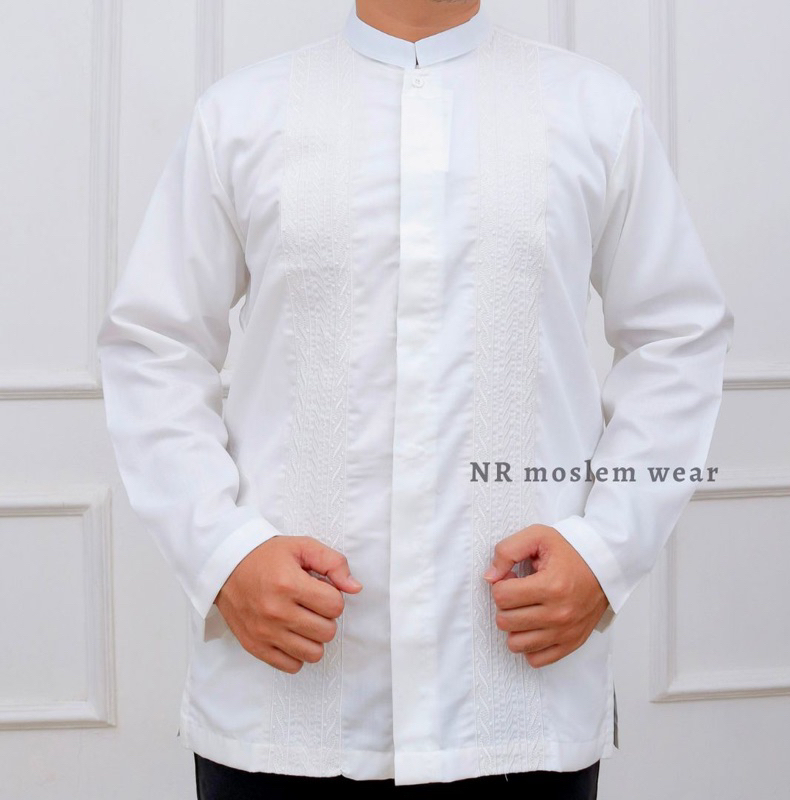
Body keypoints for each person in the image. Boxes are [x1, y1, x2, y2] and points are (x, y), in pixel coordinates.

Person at [95, 0, 734, 798]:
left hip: (519, 702)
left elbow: (679, 337)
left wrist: (607, 554)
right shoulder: (242, 115)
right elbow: (154, 344)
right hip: (284, 702)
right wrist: (222, 556)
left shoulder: (595, 111)